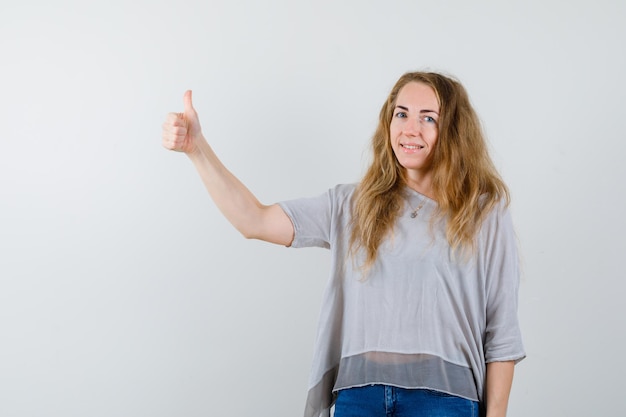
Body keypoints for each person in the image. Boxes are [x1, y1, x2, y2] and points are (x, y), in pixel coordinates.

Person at [162, 71, 525, 417]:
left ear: (454, 131)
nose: (410, 128)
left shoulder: (484, 212)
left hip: (445, 402)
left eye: (428, 118)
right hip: (359, 398)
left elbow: (502, 336)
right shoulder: (351, 205)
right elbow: (253, 220)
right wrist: (197, 150)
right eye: (402, 114)